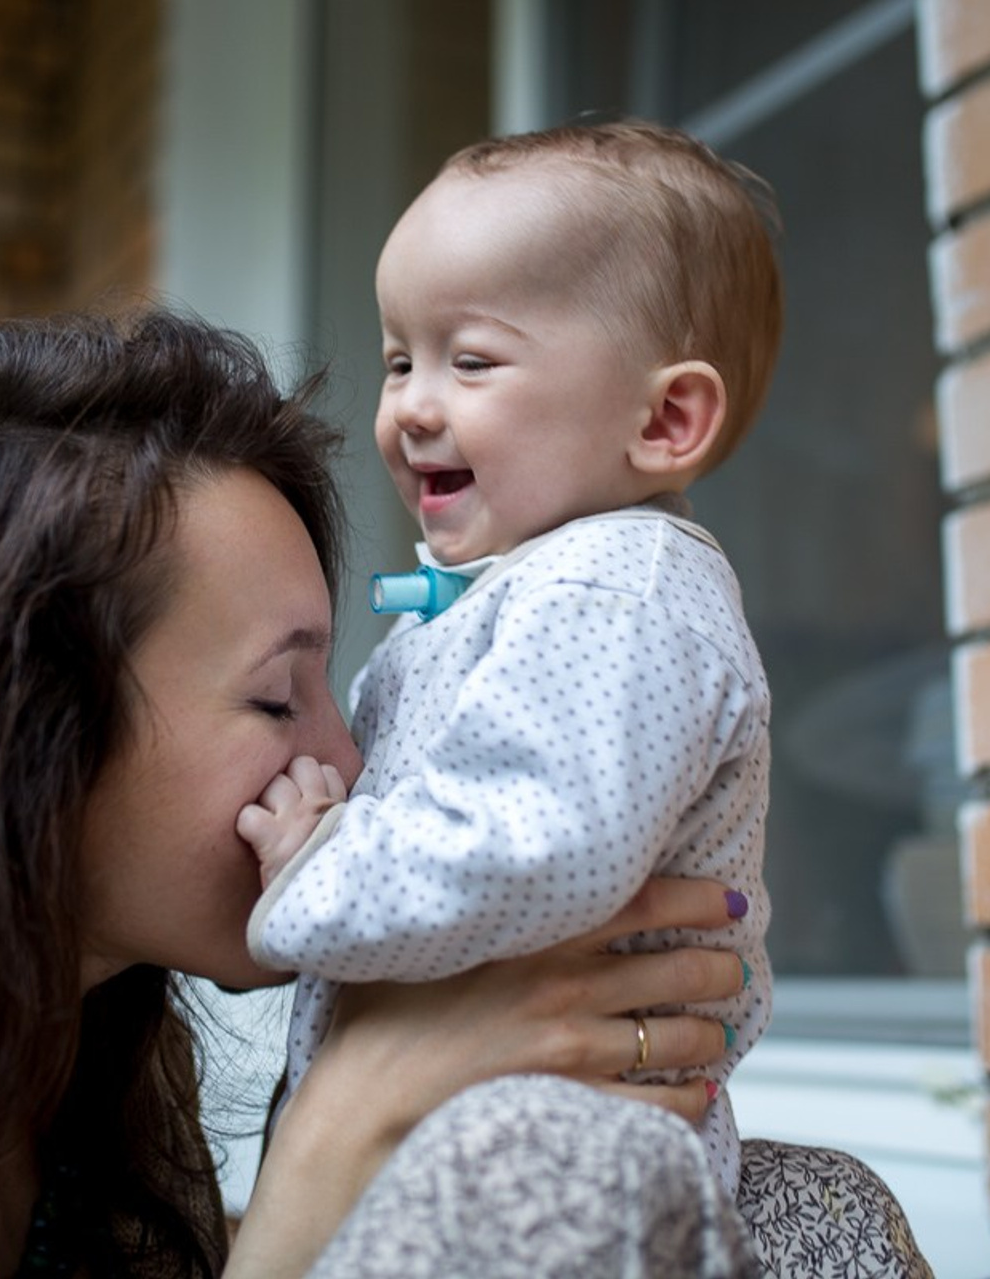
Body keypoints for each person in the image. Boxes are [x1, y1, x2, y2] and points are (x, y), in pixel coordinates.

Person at [0, 307, 929, 1279]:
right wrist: (344, 1124)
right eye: (278, 699)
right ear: (14, 736)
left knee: (815, 1208)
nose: (350, 770)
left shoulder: (95, 1069)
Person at [240, 117, 779, 1197]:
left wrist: (316, 871)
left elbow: (542, 844)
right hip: (461, 1152)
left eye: (470, 360)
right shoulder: (522, 589)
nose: (408, 407)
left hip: (552, 1181)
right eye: (400, 358)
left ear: (666, 417)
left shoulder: (618, 589)